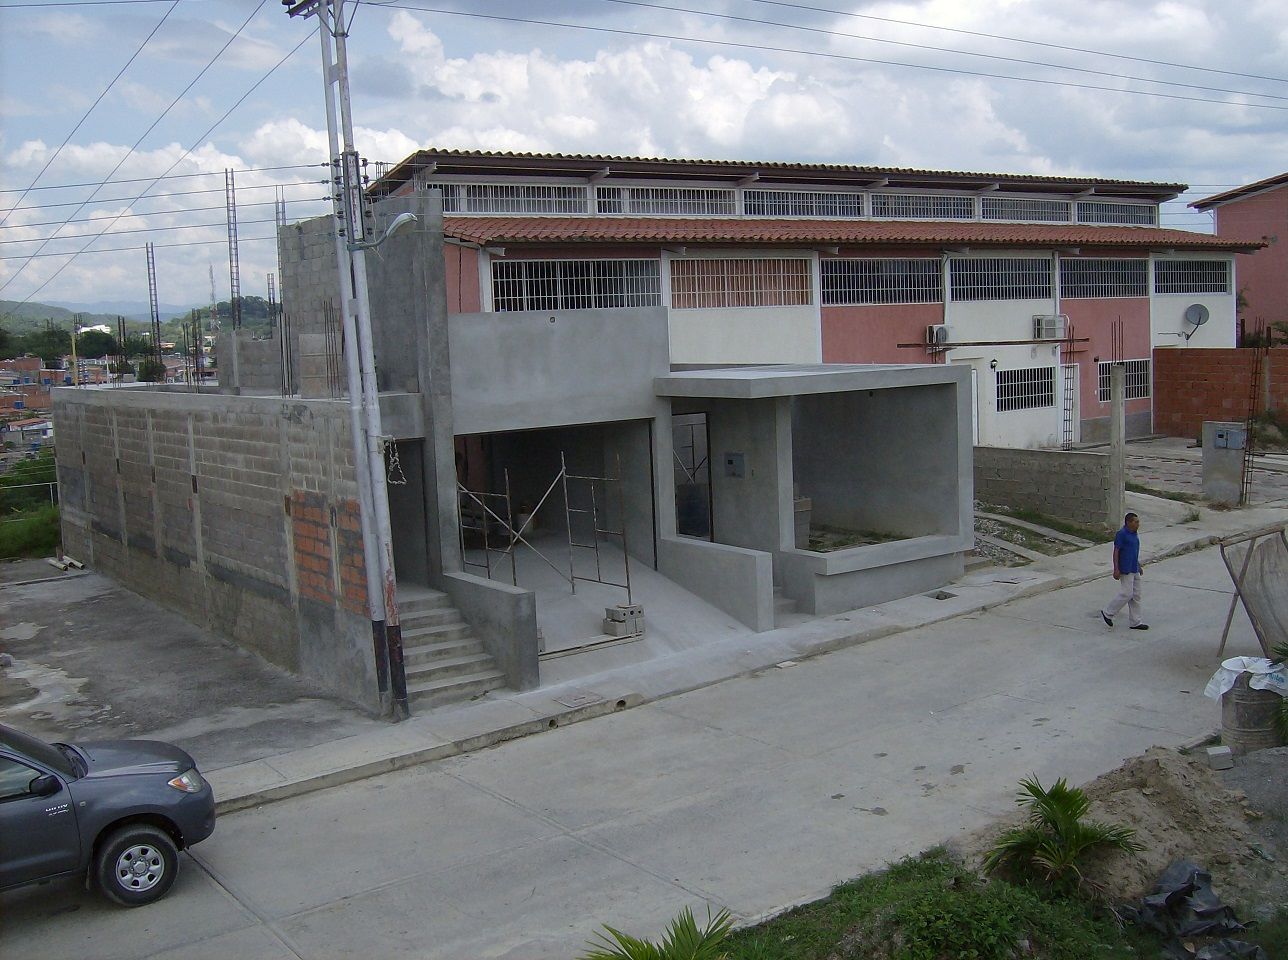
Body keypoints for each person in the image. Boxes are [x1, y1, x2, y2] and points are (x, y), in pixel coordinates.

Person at [1101, 512, 1148, 630]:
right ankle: (1108, 612)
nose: (1138, 524)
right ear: (1129, 522)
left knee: (1136, 595)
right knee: (1127, 593)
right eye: (1136, 522)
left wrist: (1138, 565)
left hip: (1134, 567)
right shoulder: (1122, 534)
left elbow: (1133, 551)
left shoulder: (1134, 534)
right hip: (1125, 568)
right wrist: (1116, 568)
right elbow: (1116, 551)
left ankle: (1135, 622)